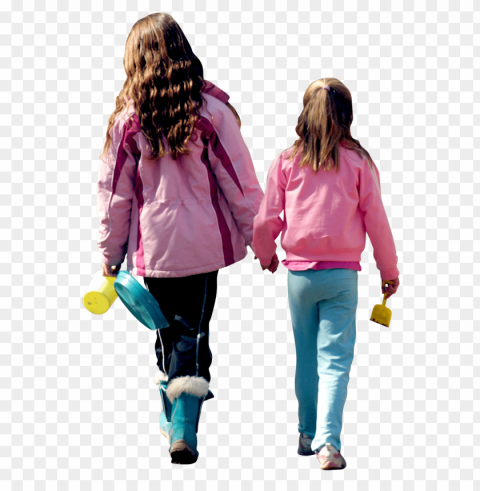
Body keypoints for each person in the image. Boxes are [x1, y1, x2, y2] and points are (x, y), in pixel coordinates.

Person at [96, 12, 265, 465]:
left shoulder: (129, 122)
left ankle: (172, 412)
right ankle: (183, 427)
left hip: (154, 250)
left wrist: (110, 254)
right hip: (202, 246)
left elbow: (114, 196)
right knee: (192, 332)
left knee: (167, 333)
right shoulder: (211, 113)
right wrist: (262, 240)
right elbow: (240, 182)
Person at [252, 78, 400, 470]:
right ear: (348, 115)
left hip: (298, 276)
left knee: (305, 357)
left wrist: (266, 254)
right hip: (342, 276)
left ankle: (305, 431)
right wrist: (389, 270)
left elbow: (266, 218)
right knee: (334, 359)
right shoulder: (359, 162)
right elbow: (377, 221)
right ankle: (328, 444)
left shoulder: (286, 161)